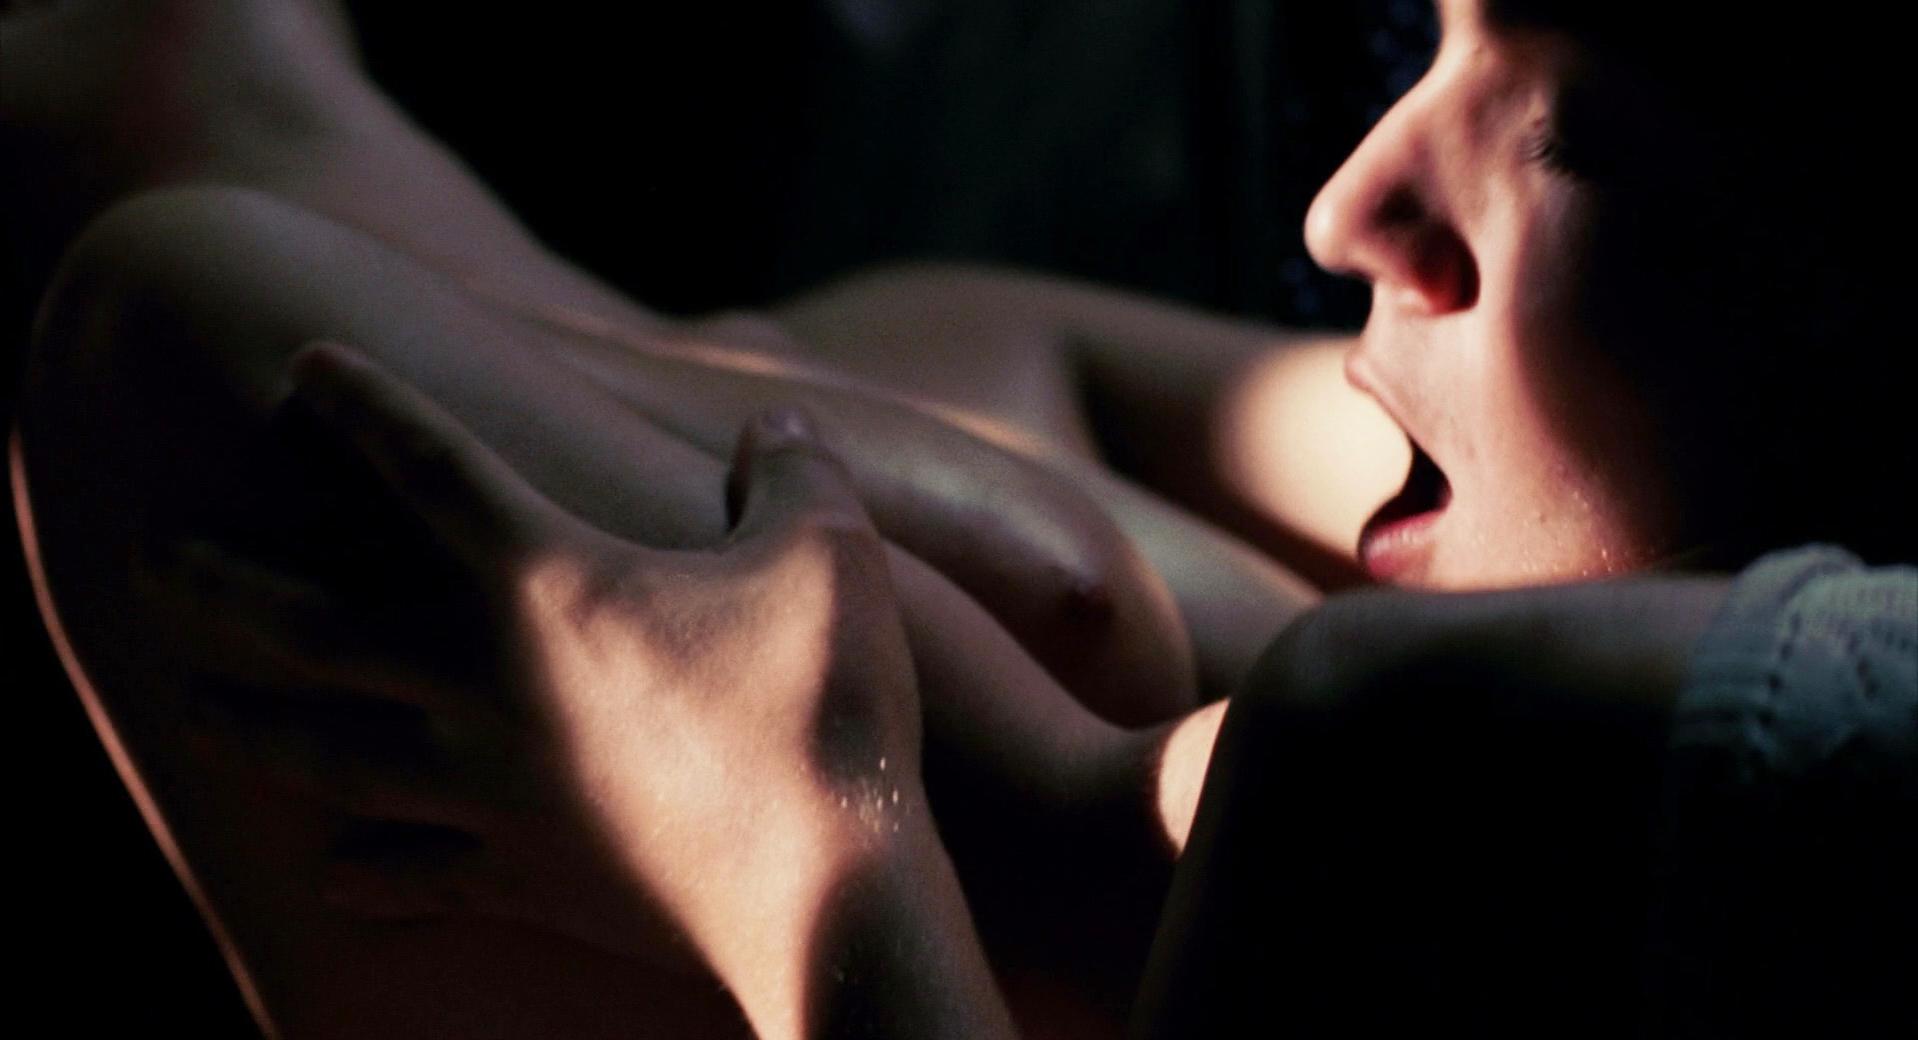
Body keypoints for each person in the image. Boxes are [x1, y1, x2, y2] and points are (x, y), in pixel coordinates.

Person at [6, 0, 1913, 1036]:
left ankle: (200, 87)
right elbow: (1028, 355)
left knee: (188, 333)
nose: (1345, 212)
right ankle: (209, 86)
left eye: (1561, 128)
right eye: (1428, 44)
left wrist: (801, 855)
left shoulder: (1434, 753)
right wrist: (1050, 590)